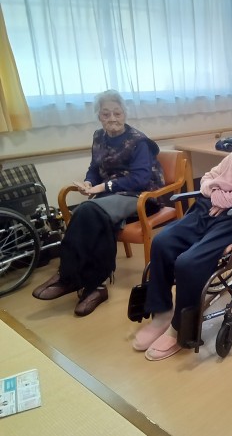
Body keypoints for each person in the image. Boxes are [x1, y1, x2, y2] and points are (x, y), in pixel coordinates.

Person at [132, 101, 232, 361]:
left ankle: (179, 328)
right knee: (162, 242)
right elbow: (209, 176)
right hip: (211, 206)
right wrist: (215, 192)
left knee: (188, 262)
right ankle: (161, 312)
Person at [32, 90, 164, 316]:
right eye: (106, 114)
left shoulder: (139, 141)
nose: (112, 118)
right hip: (111, 197)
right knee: (93, 216)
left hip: (141, 196)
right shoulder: (99, 137)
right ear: (99, 116)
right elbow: (95, 168)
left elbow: (140, 179)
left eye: (117, 113)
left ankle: (69, 276)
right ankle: (95, 287)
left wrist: (101, 188)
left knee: (88, 210)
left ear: (125, 114)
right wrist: (88, 183)